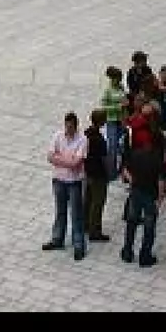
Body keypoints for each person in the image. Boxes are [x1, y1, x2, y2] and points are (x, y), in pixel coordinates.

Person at [43, 111, 89, 260]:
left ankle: (79, 245)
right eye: (66, 126)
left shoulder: (82, 139)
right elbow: (49, 156)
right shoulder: (58, 136)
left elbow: (77, 163)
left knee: (76, 214)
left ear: (76, 126)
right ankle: (57, 239)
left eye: (71, 127)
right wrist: (68, 161)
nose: (68, 129)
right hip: (59, 180)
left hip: (74, 182)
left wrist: (60, 159)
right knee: (60, 211)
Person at [120, 133, 164, 267]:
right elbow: (161, 181)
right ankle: (145, 256)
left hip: (136, 192)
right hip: (150, 195)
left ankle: (127, 251)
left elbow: (124, 170)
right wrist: (160, 200)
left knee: (132, 222)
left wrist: (132, 180)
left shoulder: (136, 154)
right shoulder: (158, 159)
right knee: (149, 227)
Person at [82, 110, 112, 245]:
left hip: (87, 172)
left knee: (88, 199)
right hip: (98, 174)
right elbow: (104, 158)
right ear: (101, 121)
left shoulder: (86, 134)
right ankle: (95, 231)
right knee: (98, 202)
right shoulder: (99, 140)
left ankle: (85, 224)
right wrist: (109, 172)